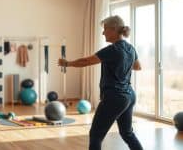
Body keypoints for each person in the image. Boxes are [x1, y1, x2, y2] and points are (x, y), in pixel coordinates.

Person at [58, 15, 143, 150]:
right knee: (127, 133)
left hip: (114, 97)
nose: (103, 32)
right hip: (129, 95)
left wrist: (67, 63)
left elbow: (86, 61)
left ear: (114, 29)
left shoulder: (112, 50)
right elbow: (138, 66)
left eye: (105, 29)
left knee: (96, 135)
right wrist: (122, 63)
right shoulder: (130, 48)